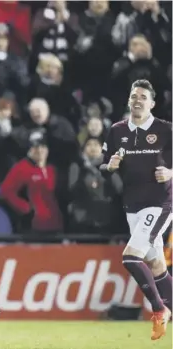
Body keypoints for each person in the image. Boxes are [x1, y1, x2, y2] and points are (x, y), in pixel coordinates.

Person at [100, 79, 172, 341]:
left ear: (152, 103)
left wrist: (171, 171)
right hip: (133, 208)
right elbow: (102, 166)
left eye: (143, 96)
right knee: (156, 266)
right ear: (129, 101)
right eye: (134, 96)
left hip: (161, 203)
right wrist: (110, 166)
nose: (138, 100)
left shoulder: (166, 130)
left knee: (130, 257)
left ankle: (159, 309)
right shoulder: (117, 131)